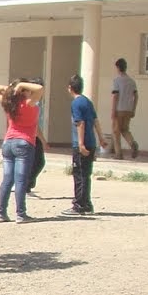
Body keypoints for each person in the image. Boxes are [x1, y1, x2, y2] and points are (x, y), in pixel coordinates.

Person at [0, 78, 44, 222]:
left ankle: (2, 212)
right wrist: (20, 86)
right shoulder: (29, 103)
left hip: (8, 142)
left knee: (7, 179)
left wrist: (12, 89)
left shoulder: (9, 105)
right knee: (20, 180)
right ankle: (21, 214)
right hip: (24, 143)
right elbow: (39, 88)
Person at [64, 74, 98, 215]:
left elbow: (80, 123)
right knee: (86, 174)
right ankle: (87, 203)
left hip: (82, 143)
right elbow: (96, 121)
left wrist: (81, 144)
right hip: (91, 141)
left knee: (80, 174)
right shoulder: (87, 102)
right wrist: (100, 139)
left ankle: (79, 204)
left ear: (70, 88)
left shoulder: (76, 103)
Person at [109, 58, 139, 159]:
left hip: (119, 109)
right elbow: (136, 96)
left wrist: (113, 110)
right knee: (125, 129)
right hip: (128, 109)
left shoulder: (117, 80)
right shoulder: (132, 81)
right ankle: (132, 143)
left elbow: (115, 96)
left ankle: (118, 153)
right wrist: (133, 109)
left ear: (118, 67)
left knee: (116, 131)